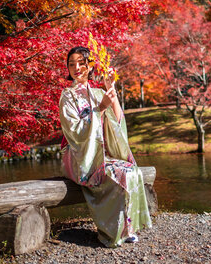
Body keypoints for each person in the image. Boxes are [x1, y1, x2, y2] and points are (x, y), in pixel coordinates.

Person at [59, 46, 152, 247]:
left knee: (132, 171)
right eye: (71, 64)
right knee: (120, 174)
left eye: (81, 63)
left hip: (101, 153)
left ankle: (128, 228)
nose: (76, 68)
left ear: (90, 66)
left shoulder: (98, 92)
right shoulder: (67, 96)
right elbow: (74, 132)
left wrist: (111, 92)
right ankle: (112, 233)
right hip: (79, 156)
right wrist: (99, 108)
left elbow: (117, 122)